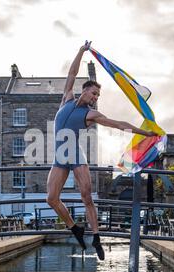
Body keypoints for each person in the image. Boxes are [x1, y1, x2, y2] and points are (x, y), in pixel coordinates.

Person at [46, 41, 156, 260]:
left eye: (98, 96)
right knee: (51, 199)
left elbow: (117, 124)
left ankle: (96, 237)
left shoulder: (91, 115)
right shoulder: (66, 99)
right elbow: (72, 72)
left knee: (86, 196)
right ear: (85, 89)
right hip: (60, 156)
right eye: (94, 93)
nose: (95, 98)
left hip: (76, 156)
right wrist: (80, 51)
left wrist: (143, 133)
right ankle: (74, 228)